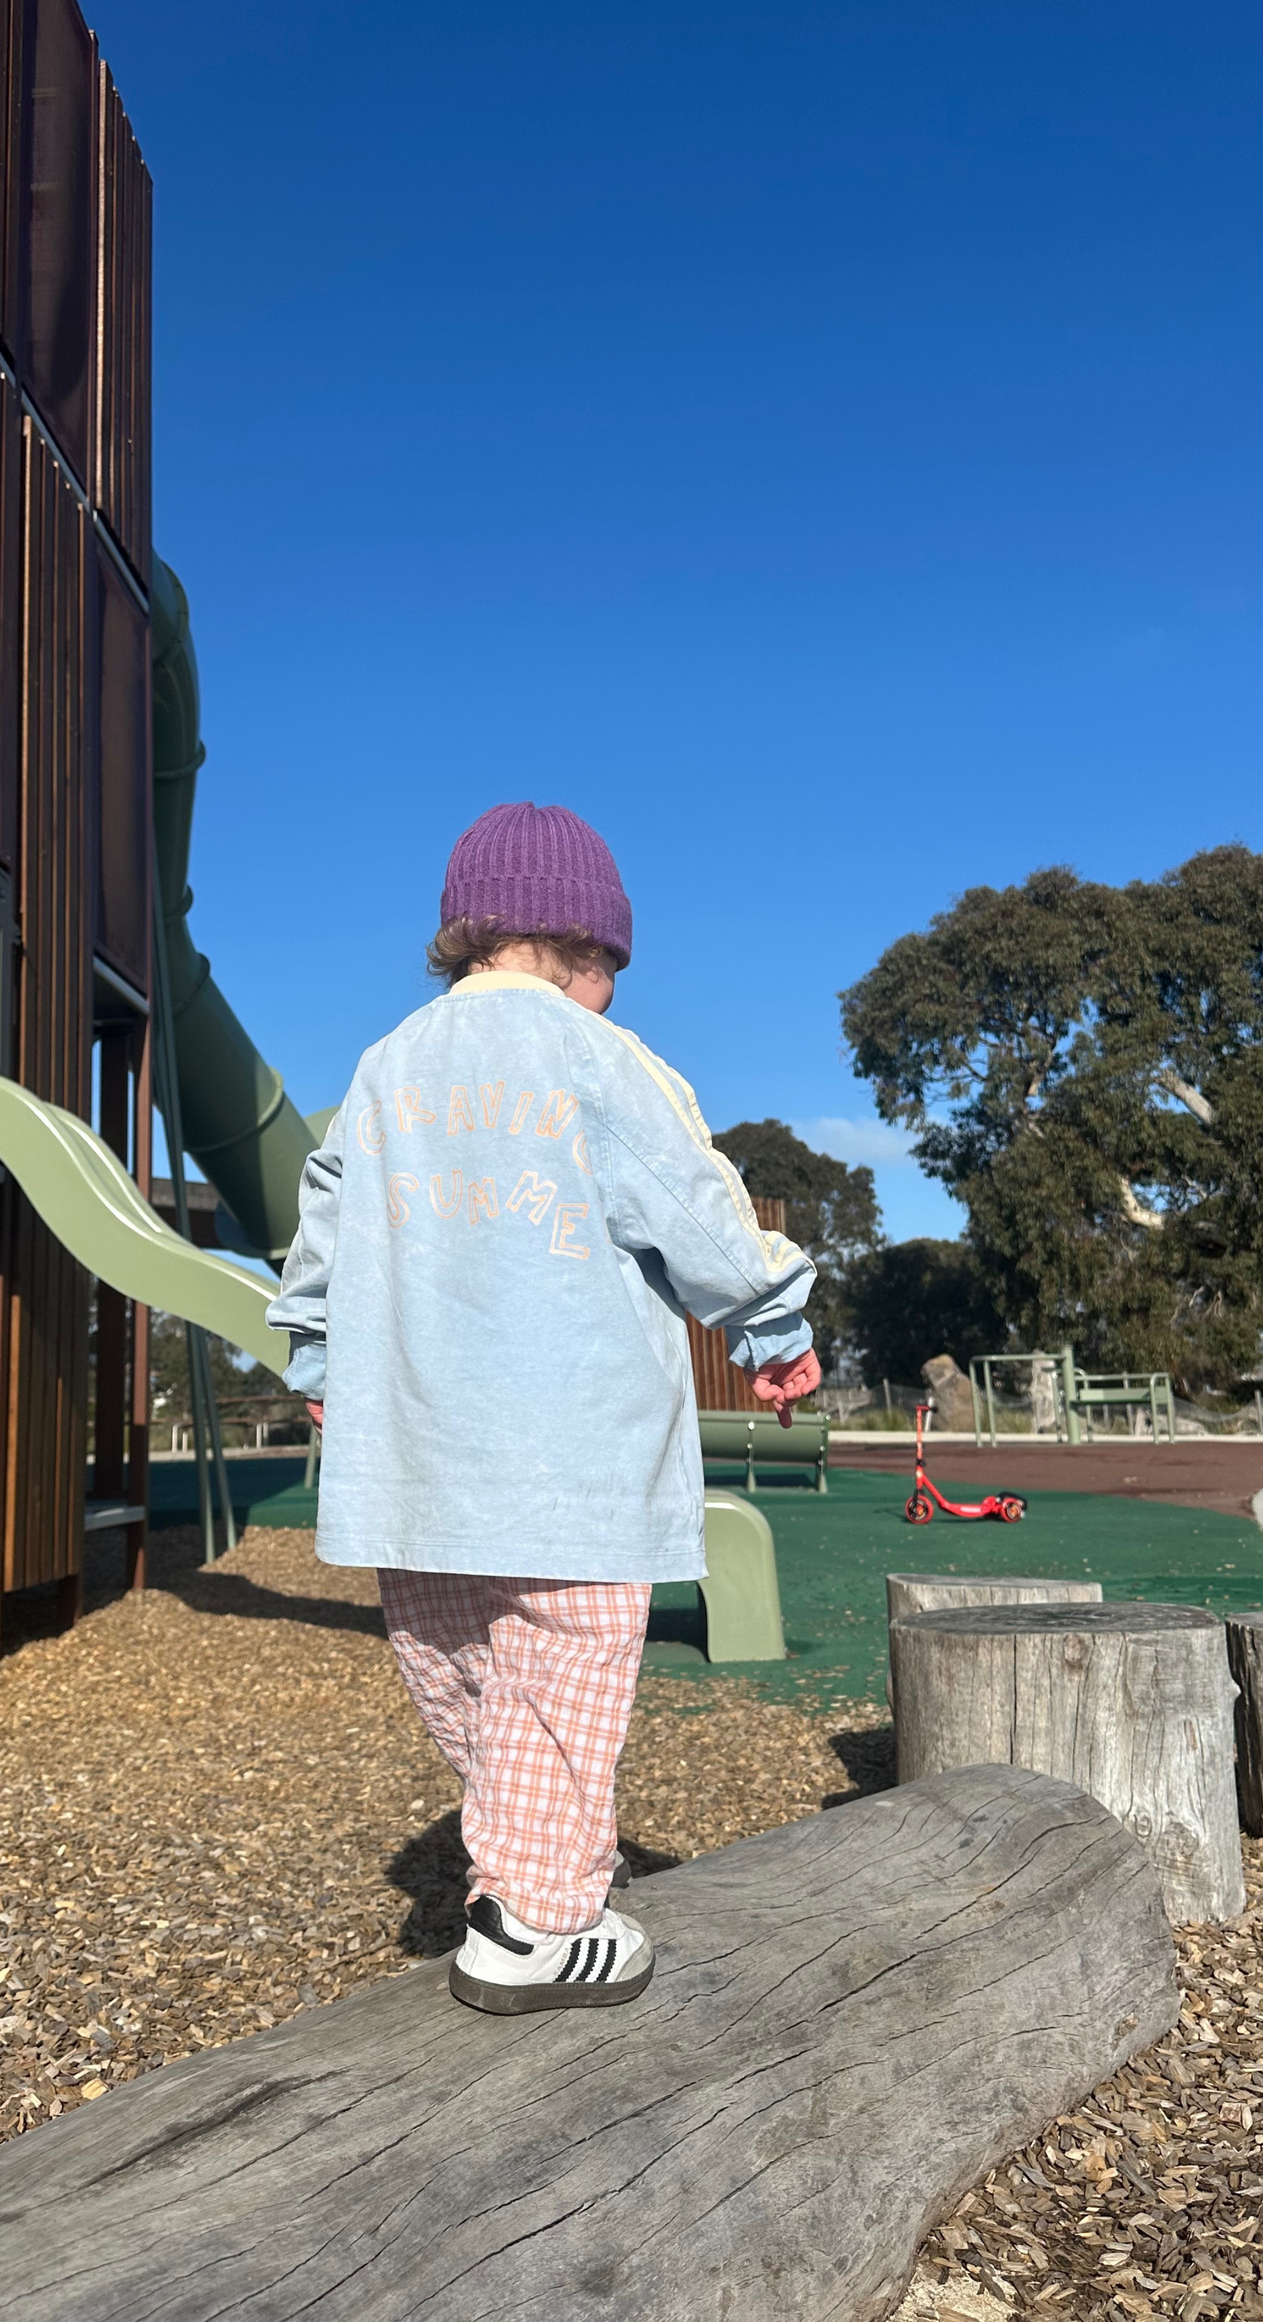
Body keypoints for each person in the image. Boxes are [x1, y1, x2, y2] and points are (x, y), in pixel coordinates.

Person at [267, 803, 820, 2014]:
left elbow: (322, 1236)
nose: (611, 992)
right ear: (584, 944)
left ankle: (514, 1867)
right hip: (571, 1454)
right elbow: (696, 1205)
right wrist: (770, 1327)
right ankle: (537, 1924)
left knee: (461, 1669)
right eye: (610, 969)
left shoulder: (383, 1069)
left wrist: (317, 1368)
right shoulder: (601, 1060)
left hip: (413, 1459)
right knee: (562, 1683)